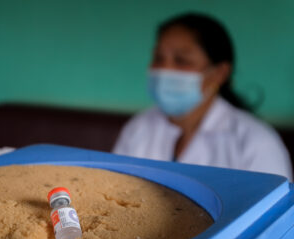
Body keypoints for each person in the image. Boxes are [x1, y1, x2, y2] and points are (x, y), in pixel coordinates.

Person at [113, 13, 293, 181]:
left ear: (219, 73)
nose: (164, 69)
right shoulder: (138, 128)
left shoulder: (255, 142)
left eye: (182, 61)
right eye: (158, 58)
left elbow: (274, 212)